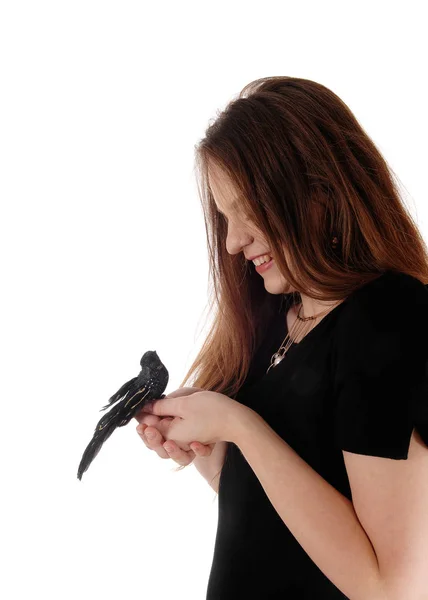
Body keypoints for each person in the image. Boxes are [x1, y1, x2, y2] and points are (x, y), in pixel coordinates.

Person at [134, 76, 428, 599]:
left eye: (248, 210)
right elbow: (278, 524)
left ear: (319, 191)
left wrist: (240, 425)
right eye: (225, 217)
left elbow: (392, 588)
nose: (232, 241)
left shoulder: (389, 316)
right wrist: (207, 443)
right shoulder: (278, 316)